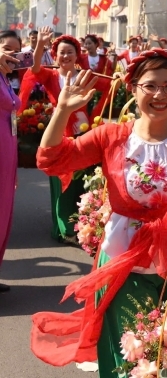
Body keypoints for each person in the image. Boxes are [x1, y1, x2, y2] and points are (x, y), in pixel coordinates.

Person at [30, 49, 167, 378]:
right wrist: (62, 110)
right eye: (150, 85)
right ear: (133, 88)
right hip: (123, 261)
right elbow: (51, 159)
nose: (160, 94)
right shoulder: (111, 136)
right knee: (130, 354)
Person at [19, 26, 114, 244]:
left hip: (83, 132)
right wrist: (40, 44)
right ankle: (62, 228)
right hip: (58, 132)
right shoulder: (50, 75)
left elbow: (110, 86)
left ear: (77, 55)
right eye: (61, 52)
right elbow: (34, 68)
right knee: (60, 180)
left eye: (70, 52)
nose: (65, 56)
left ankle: (80, 225)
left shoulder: (87, 76)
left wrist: (98, 111)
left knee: (81, 181)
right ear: (55, 55)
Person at [0, 30, 21, 293]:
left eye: (16, 51)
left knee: (4, 215)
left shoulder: (5, 77)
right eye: (6, 48)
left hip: (7, 153)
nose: (12, 55)